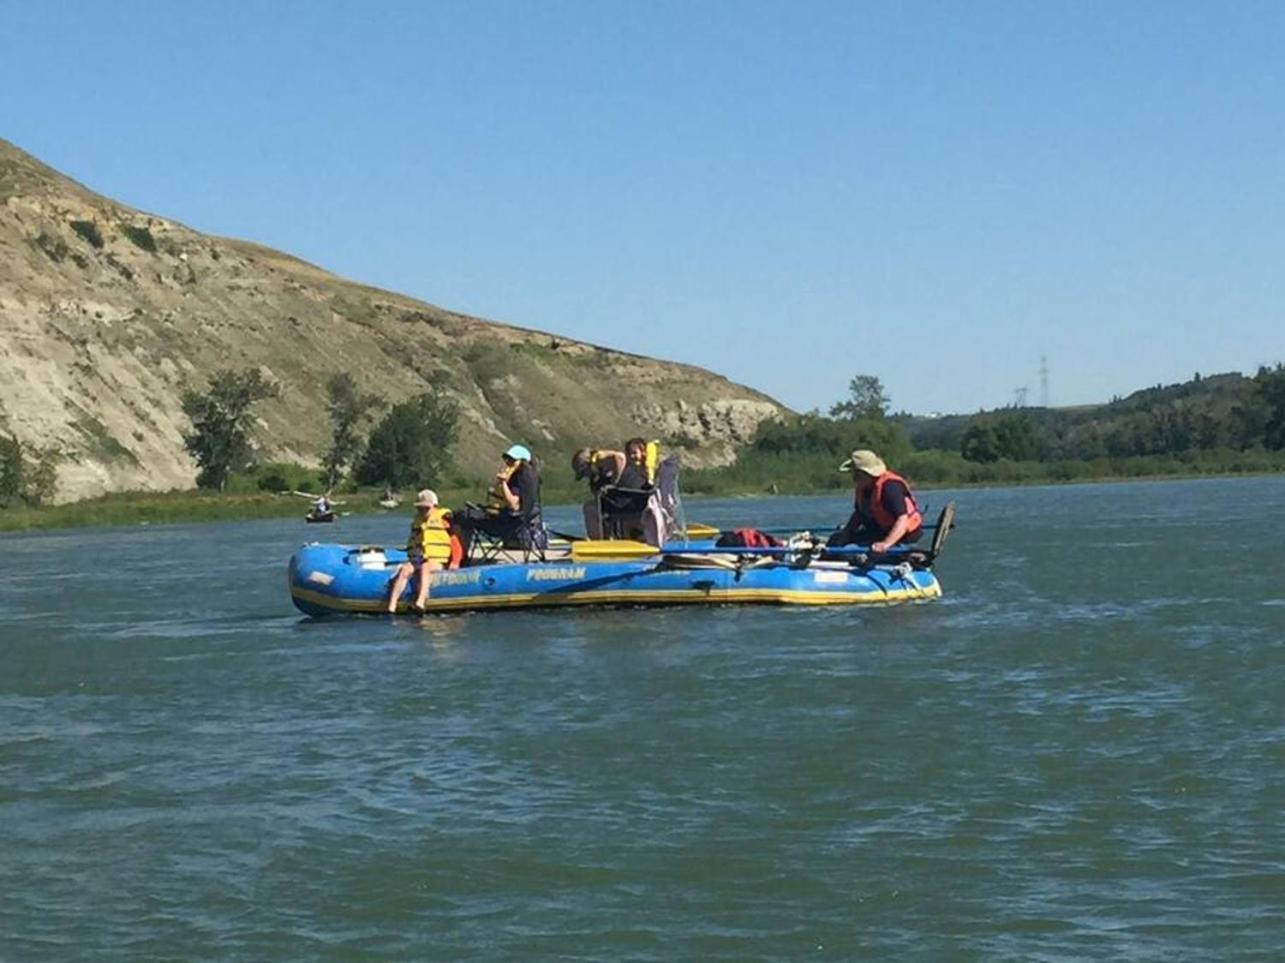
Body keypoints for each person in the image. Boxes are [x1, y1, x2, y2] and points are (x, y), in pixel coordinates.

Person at [453, 444, 546, 556]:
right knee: (469, 513)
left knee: (461, 516)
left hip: (509, 525)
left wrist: (503, 483)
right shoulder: (528, 478)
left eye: (512, 461)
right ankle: (461, 554)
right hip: (512, 521)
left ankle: (459, 558)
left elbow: (514, 505)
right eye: (508, 460)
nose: (508, 463)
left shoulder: (520, 480)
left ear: (522, 462)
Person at [827, 449, 923, 553]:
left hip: (903, 538)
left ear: (867, 473)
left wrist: (886, 544)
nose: (854, 478)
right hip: (879, 532)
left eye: (857, 474)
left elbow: (902, 519)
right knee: (835, 541)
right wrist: (845, 535)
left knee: (850, 551)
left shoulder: (890, 487)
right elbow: (859, 514)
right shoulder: (863, 488)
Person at [387, 489, 456, 613]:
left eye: (426, 508)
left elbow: (455, 541)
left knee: (425, 568)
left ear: (434, 506)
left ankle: (421, 601)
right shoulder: (417, 521)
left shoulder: (444, 518)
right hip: (419, 557)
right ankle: (392, 606)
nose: (422, 511)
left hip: (438, 559)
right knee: (404, 570)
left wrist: (455, 561)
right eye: (420, 508)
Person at [572, 446, 627, 538]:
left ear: (587, 465)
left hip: (623, 499)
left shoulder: (599, 458)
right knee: (594, 506)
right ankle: (605, 536)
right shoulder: (597, 475)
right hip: (615, 502)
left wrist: (614, 483)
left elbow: (619, 457)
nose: (586, 476)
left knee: (589, 508)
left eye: (584, 473)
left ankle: (597, 540)